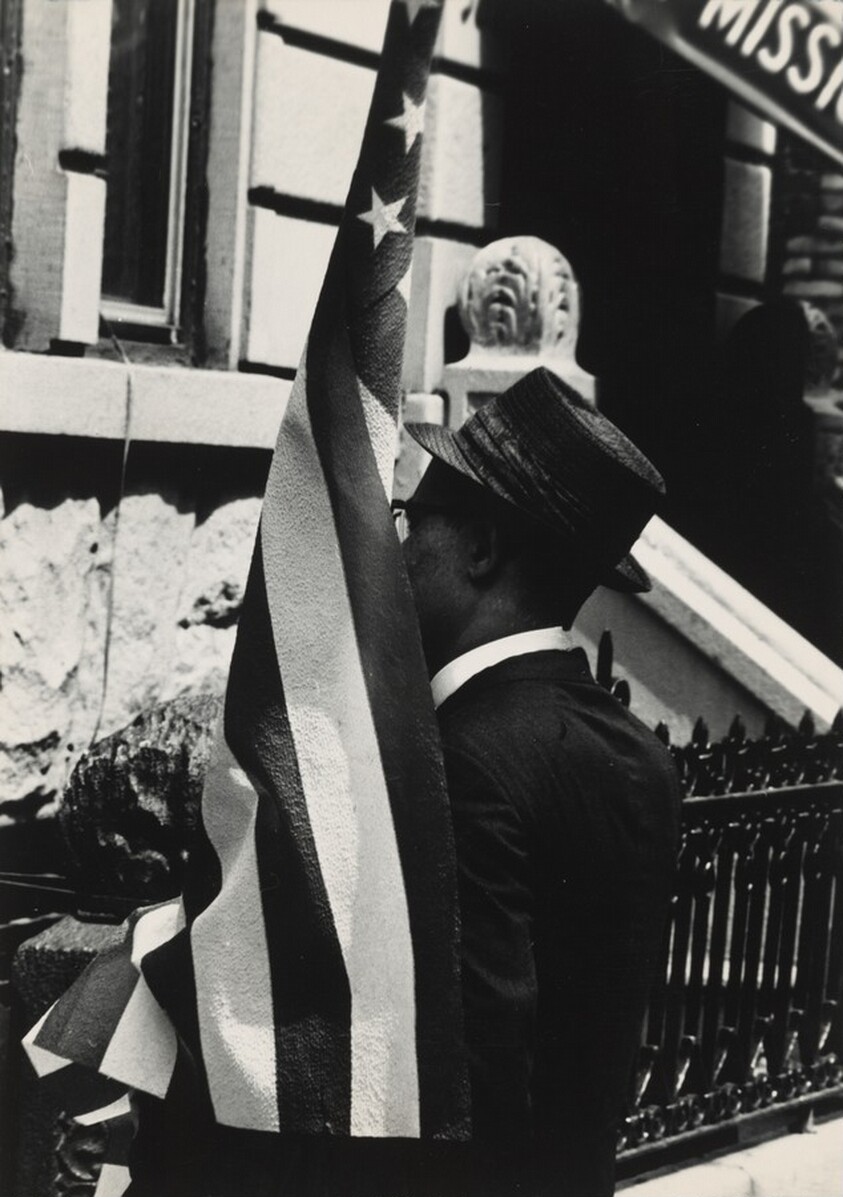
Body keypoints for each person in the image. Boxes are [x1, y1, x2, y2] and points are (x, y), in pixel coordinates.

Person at [395, 365, 682, 1197]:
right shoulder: (641, 756)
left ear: (481, 547)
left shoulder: (462, 758)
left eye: (412, 520)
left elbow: (472, 1079)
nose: (398, 548)